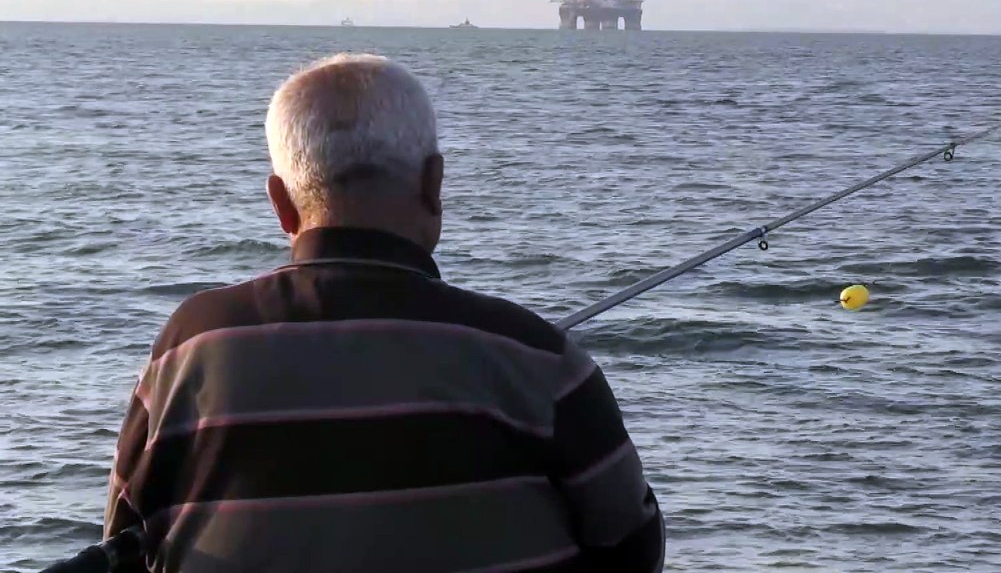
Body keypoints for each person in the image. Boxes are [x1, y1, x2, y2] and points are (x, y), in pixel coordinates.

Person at [103, 53, 665, 572]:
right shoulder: (539, 358)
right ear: (433, 183)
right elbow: (634, 548)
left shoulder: (190, 346)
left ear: (280, 202)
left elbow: (123, 545)